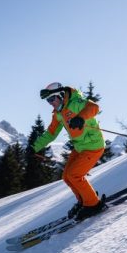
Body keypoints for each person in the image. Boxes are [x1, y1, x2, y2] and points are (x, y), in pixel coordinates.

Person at [33, 82, 107, 221]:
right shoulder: (59, 113)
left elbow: (94, 107)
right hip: (80, 147)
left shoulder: (75, 103)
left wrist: (80, 117)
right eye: (48, 101)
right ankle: (84, 200)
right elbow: (51, 132)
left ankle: (93, 205)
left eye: (51, 99)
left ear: (61, 95)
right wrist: (34, 147)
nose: (50, 103)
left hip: (92, 146)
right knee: (67, 176)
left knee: (75, 175)